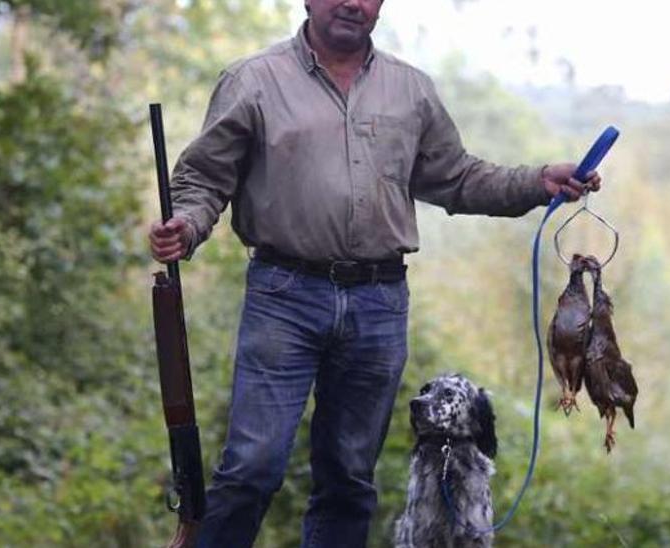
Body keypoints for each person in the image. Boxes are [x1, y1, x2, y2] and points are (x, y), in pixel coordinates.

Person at [148, 0, 602, 545]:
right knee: (253, 467)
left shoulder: (410, 90)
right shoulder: (254, 81)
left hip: (379, 302)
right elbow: (202, 179)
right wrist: (187, 224)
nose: (353, 3)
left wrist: (538, 182)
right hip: (283, 295)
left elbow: (457, 178)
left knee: (348, 477)